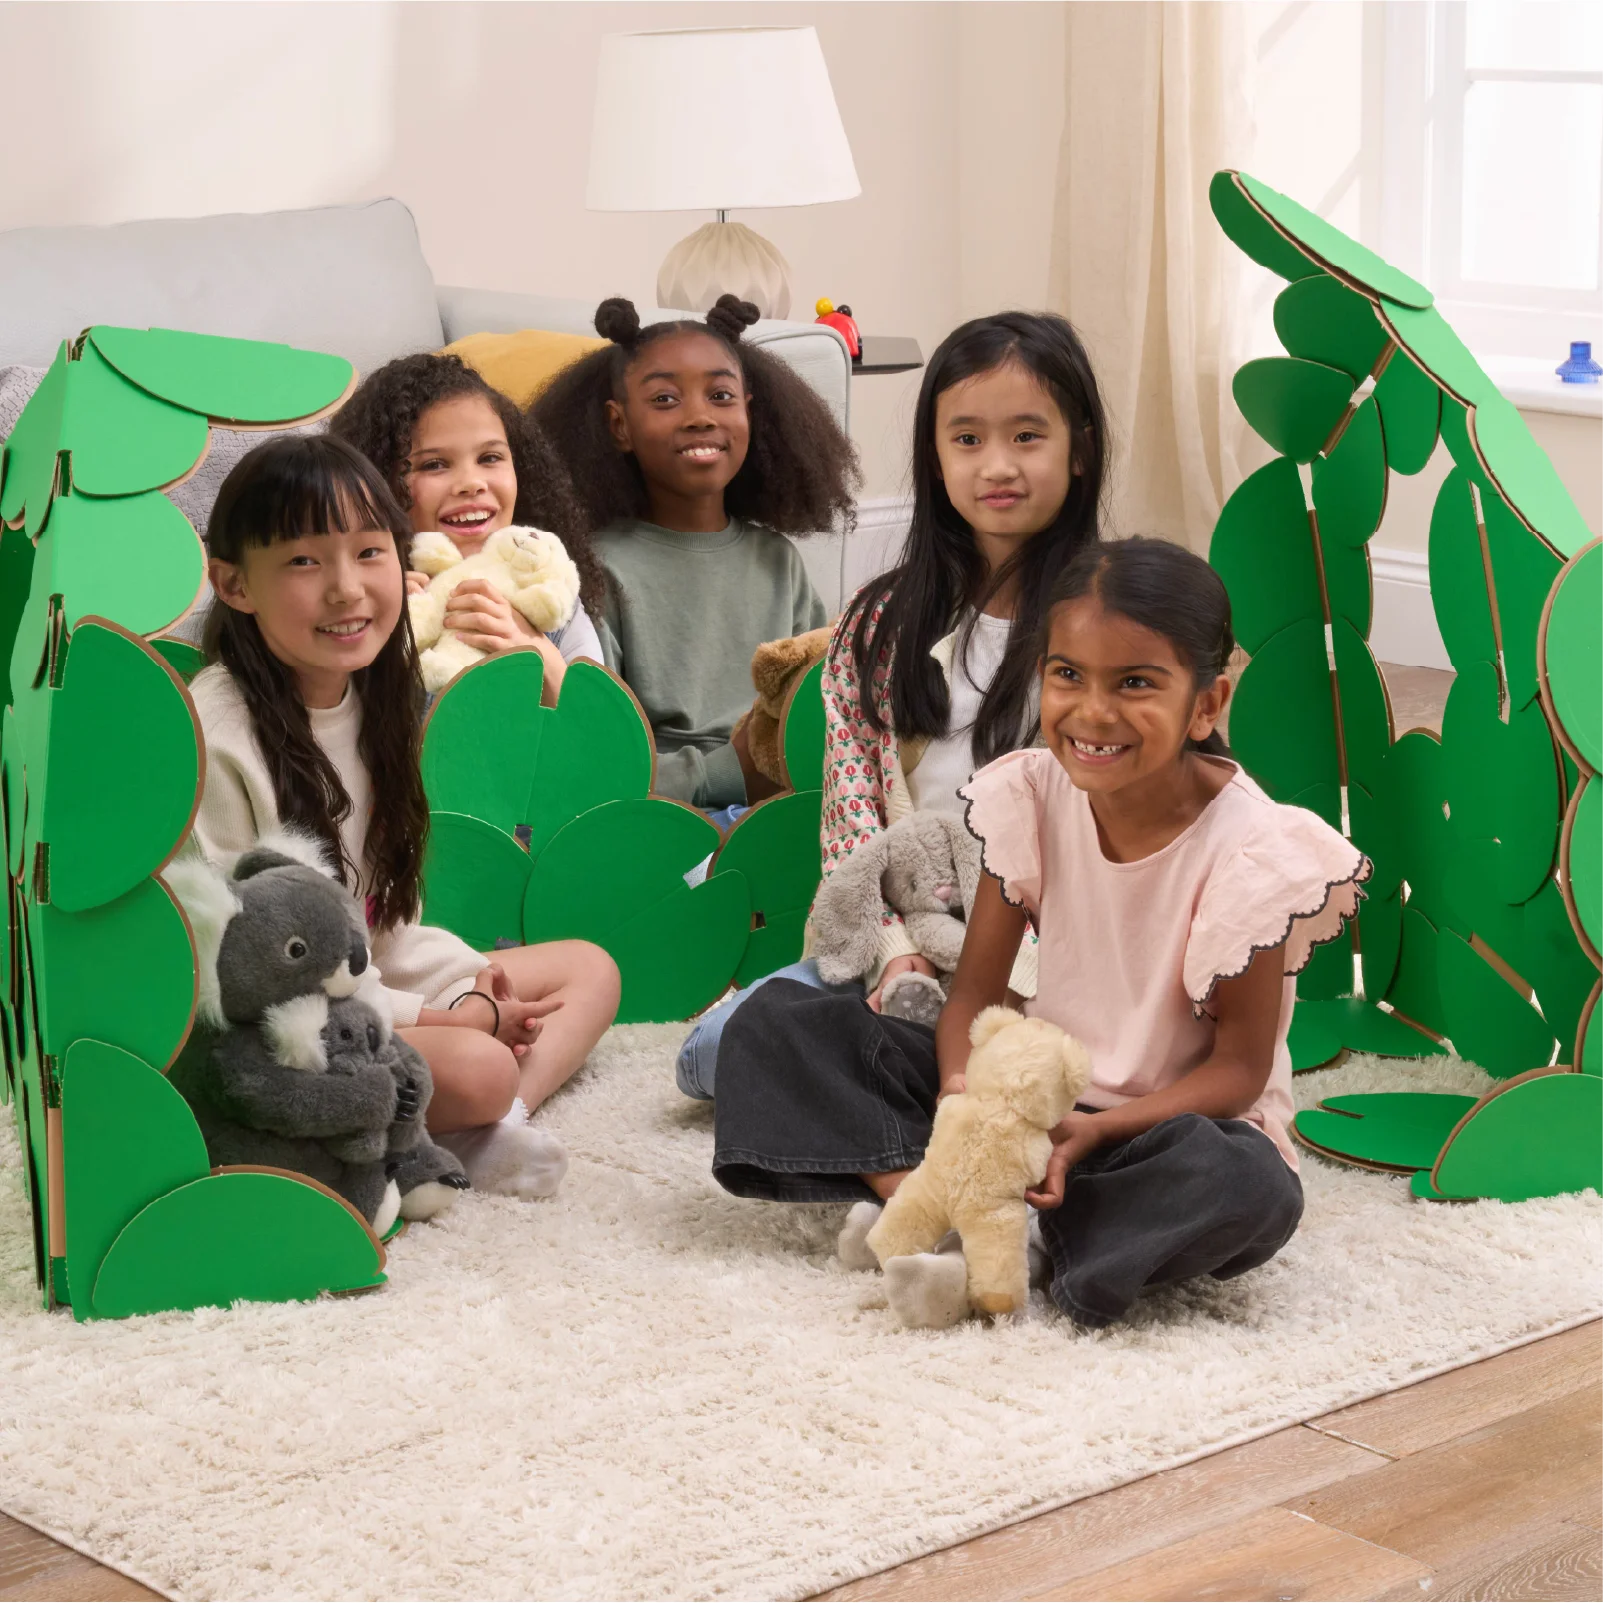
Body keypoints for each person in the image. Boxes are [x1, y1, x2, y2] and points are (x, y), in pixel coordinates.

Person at [712, 537, 1369, 1330]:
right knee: (781, 1022)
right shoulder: (1028, 792)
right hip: (1029, 1094)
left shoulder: (1256, 850)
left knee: (1247, 1186)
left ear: (1206, 704)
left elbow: (1237, 1071)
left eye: (1135, 683)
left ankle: (1030, 1235)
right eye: (1067, 676)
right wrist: (963, 1102)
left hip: (1162, 1126)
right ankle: (945, 1199)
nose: (1092, 712)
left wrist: (1088, 1133)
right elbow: (976, 998)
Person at [674, 310, 1108, 1098]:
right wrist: (892, 951)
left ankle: (935, 1090)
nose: (996, 465)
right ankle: (913, 1069)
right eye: (967, 439)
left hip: (1052, 952)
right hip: (908, 935)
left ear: (1078, 448)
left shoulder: (1108, 618)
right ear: (934, 455)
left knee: (1057, 1066)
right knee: (710, 1054)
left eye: (1027, 436)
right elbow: (852, 818)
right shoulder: (880, 621)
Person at [187, 434, 621, 1200]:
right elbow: (256, 977)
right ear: (233, 583)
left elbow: (382, 923)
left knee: (589, 967)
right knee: (479, 1062)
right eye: (302, 561)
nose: (346, 589)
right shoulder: (218, 736)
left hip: (359, 993)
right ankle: (459, 1113)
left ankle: (491, 1126)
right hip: (268, 1033)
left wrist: (469, 989)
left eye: (368, 552)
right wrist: (448, 1020)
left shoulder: (375, 702)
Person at [531, 294, 859, 819]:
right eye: (665, 399)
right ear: (620, 426)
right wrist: (728, 772)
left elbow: (820, 709)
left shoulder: (778, 561)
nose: (700, 417)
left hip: (784, 810)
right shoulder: (596, 568)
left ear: (749, 409)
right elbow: (599, 753)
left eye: (721, 395)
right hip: (662, 822)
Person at [330, 352, 605, 705]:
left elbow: (604, 742)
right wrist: (378, 628)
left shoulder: (552, 595)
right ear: (376, 481)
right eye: (434, 465)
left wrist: (538, 655)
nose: (471, 483)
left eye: (490, 458)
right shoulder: (354, 600)